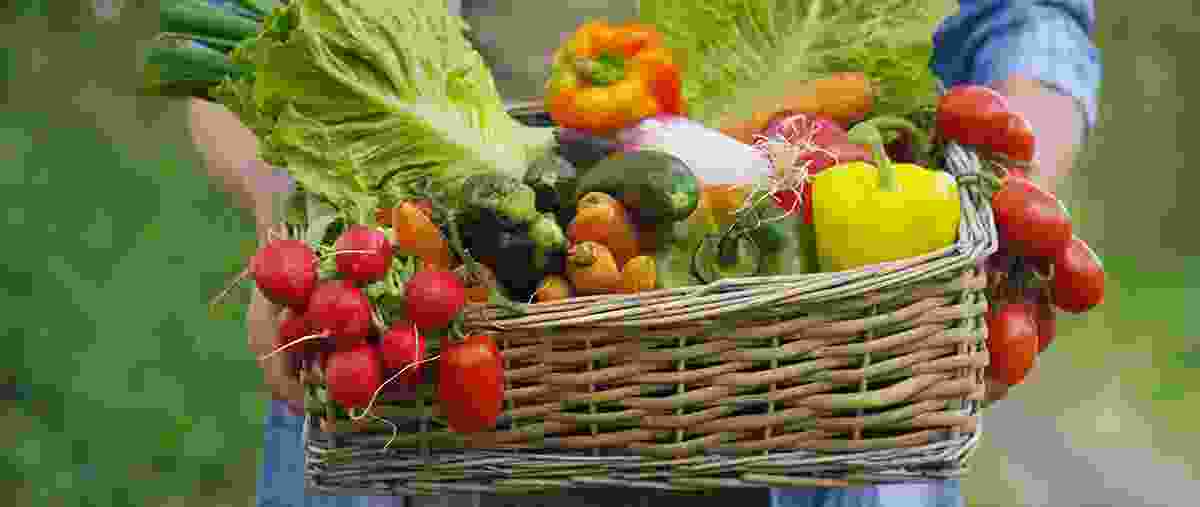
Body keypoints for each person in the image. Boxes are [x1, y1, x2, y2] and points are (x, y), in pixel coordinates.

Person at [190, 1, 1100, 506]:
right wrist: (302, 241)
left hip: (820, 392)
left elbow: (1027, 20)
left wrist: (1012, 210)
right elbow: (255, 38)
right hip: (426, 350)